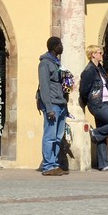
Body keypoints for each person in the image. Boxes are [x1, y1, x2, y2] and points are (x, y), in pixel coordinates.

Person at [79, 44, 108, 170]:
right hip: (97, 104)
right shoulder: (89, 71)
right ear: (93, 54)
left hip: (104, 102)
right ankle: (95, 133)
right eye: (99, 52)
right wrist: (88, 102)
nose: (101, 55)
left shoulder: (100, 69)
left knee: (102, 136)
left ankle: (104, 164)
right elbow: (84, 90)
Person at [37, 36, 68, 176]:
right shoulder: (45, 63)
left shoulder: (57, 63)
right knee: (49, 136)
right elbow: (44, 87)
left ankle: (55, 164)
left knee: (58, 136)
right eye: (60, 44)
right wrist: (48, 108)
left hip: (61, 104)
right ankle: (48, 166)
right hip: (52, 105)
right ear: (55, 46)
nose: (62, 46)